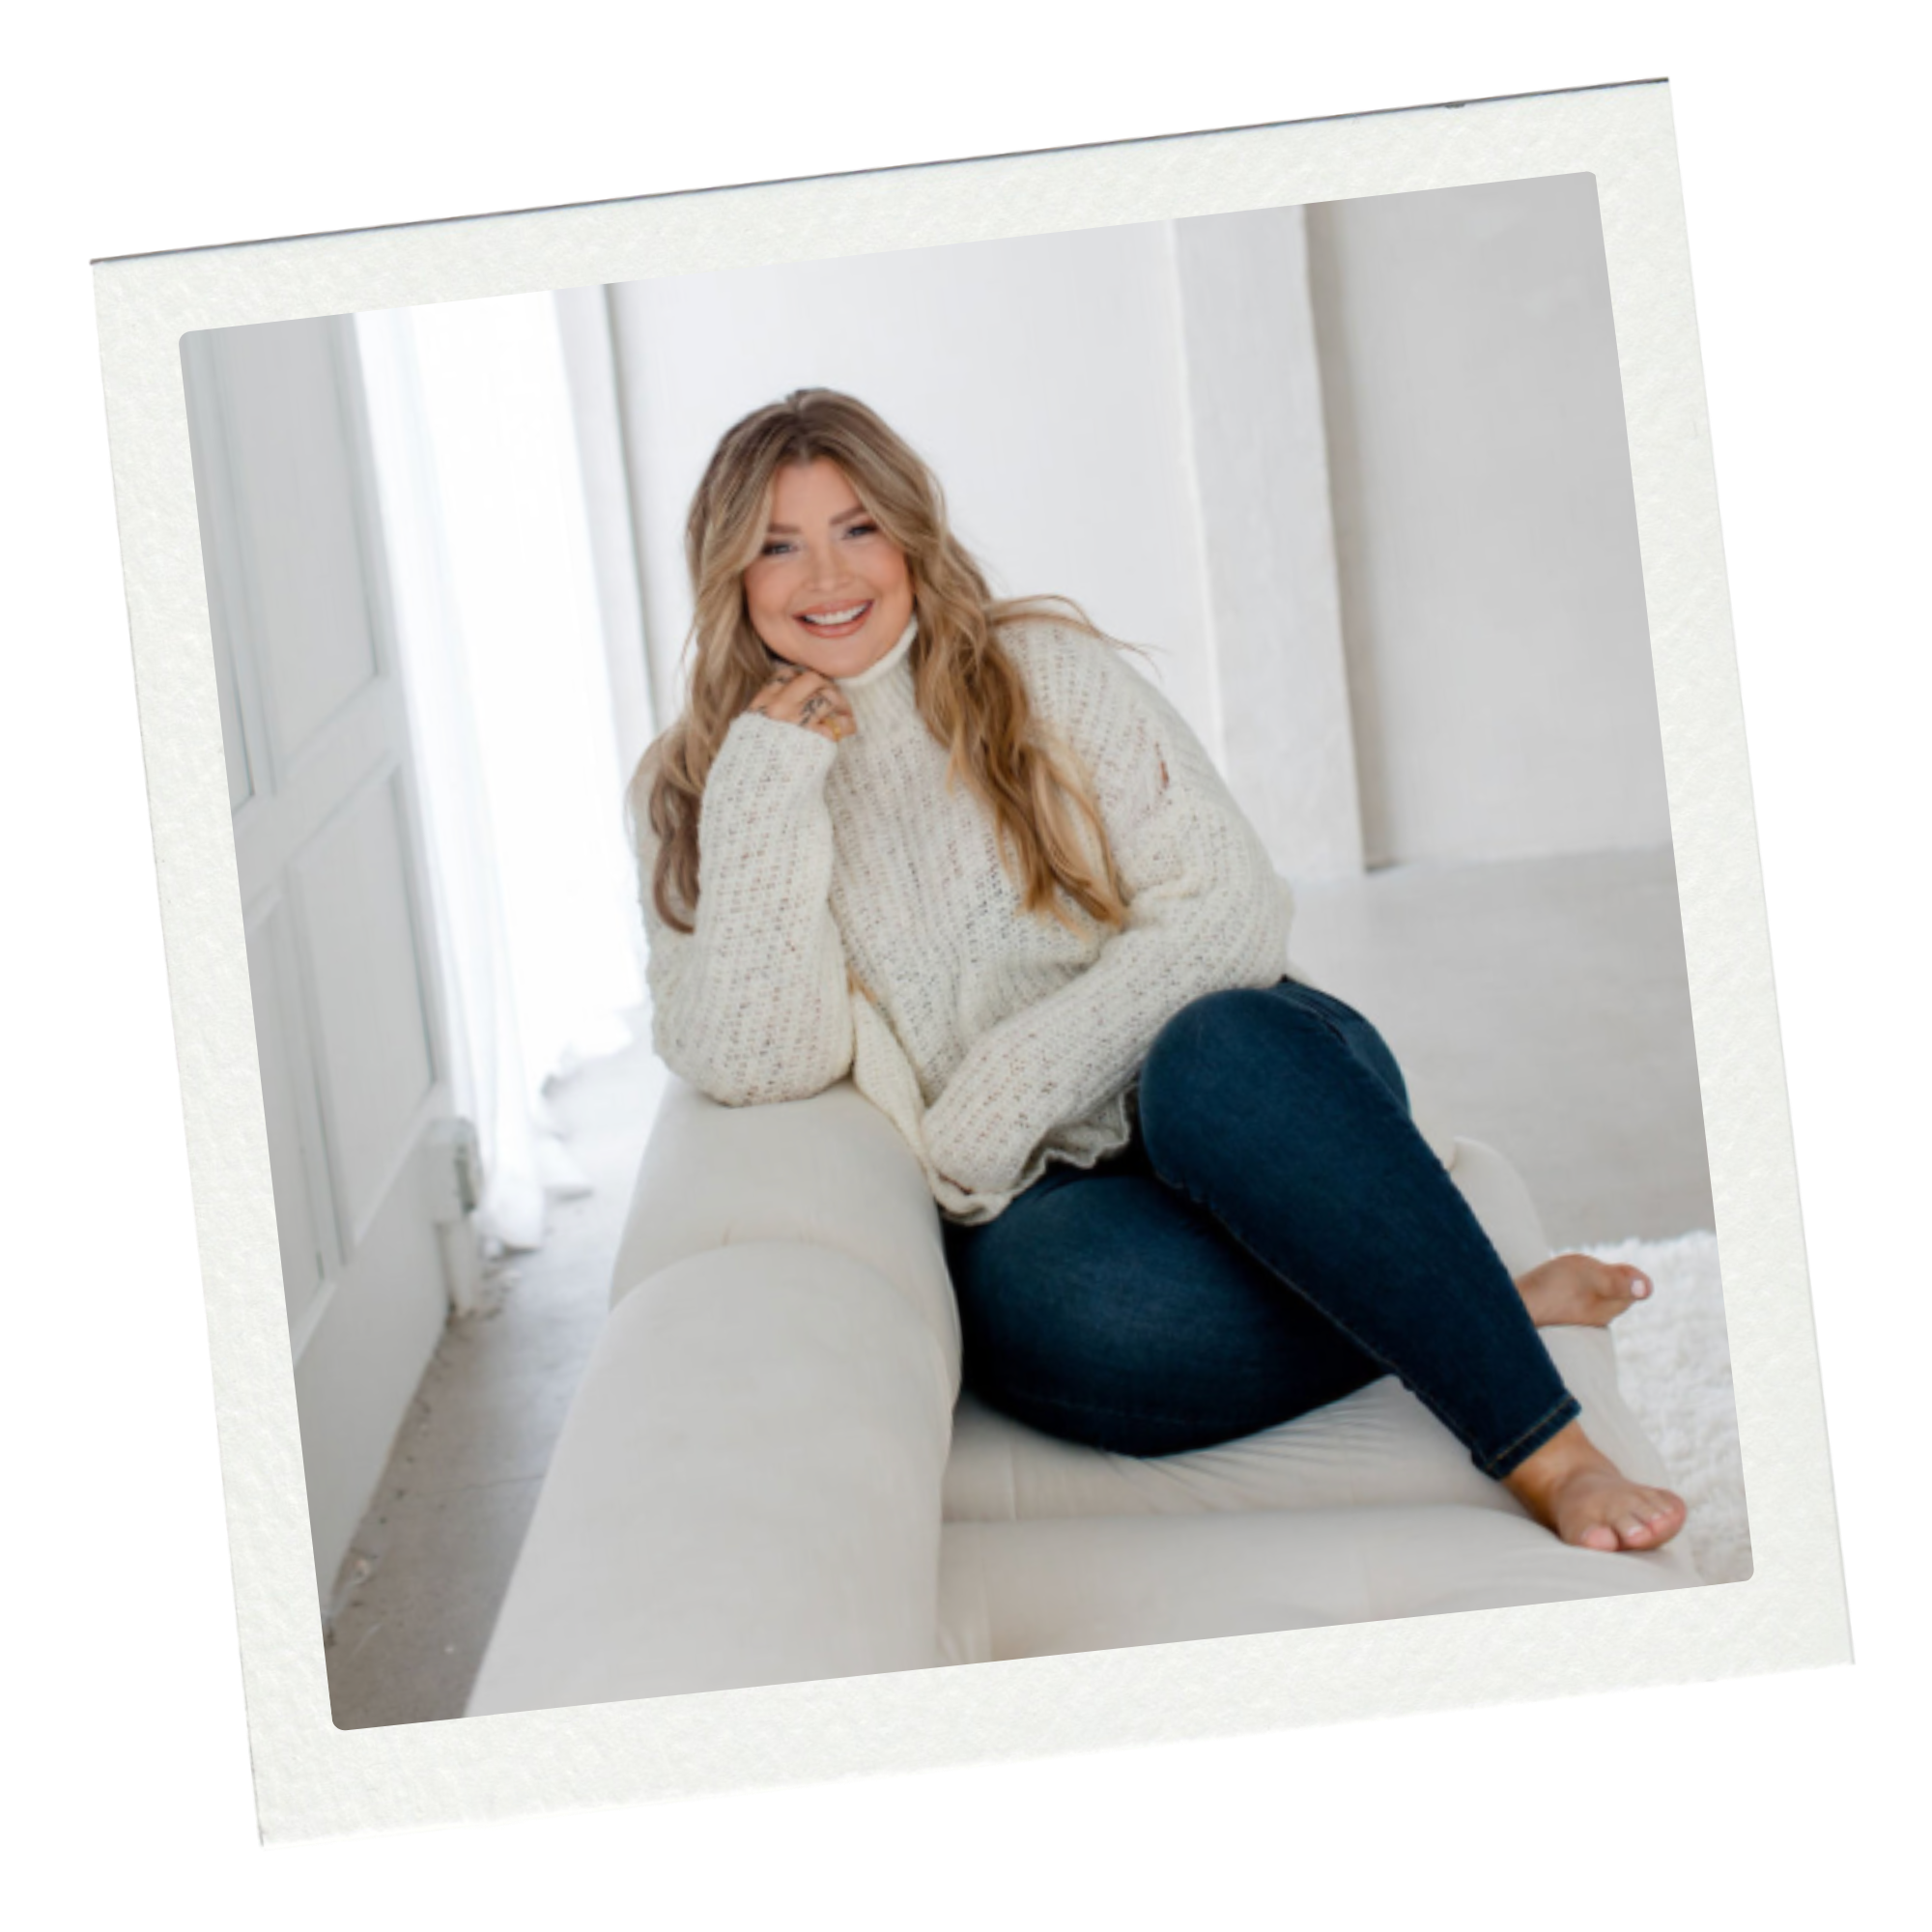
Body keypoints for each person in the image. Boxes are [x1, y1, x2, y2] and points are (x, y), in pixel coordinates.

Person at [627, 387, 1687, 1556]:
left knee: (1212, 1049)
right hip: (1053, 1206)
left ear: (911, 537)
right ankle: (1473, 1295)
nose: (825, 573)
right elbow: (755, 1059)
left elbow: (1229, 908)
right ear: (728, 568)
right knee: (1073, 1321)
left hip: (1256, 1089)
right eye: (778, 543)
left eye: (857, 526)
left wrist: (998, 1095)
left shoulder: (1039, 670)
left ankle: (1546, 1445)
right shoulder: (705, 784)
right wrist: (771, 782)